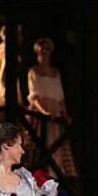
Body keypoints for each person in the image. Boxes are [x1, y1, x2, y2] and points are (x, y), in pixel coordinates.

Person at [22, 38, 77, 177]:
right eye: (42, 48)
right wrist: (44, 111)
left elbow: (60, 96)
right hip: (40, 107)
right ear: (37, 51)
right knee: (37, 142)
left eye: (47, 48)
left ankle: (54, 176)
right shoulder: (34, 71)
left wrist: (65, 114)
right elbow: (34, 94)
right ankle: (36, 175)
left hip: (54, 108)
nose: (44, 51)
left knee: (55, 143)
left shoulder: (55, 72)